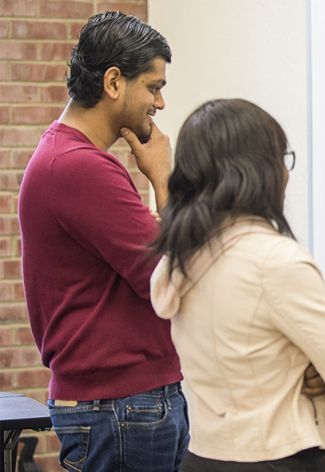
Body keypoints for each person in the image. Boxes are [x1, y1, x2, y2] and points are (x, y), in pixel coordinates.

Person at [149, 98, 325, 472]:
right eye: (281, 159)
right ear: (259, 171)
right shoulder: (276, 262)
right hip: (278, 459)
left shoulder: (179, 260)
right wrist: (312, 372)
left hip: (204, 457)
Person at [18, 12, 189, 472]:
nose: (161, 101)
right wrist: (163, 177)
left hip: (124, 406)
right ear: (114, 81)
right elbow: (169, 279)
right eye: (153, 86)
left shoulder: (72, 161)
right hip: (121, 408)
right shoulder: (79, 167)